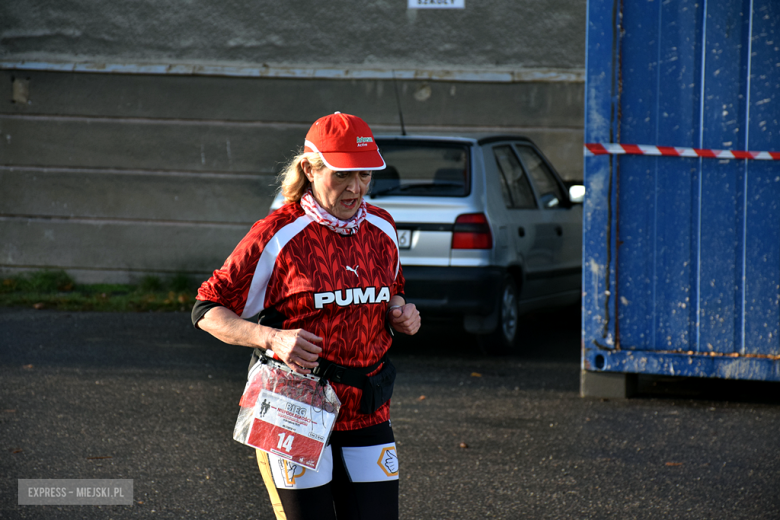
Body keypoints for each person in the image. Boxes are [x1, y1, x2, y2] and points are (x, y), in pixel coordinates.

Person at [191, 112, 421, 520]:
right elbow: (207, 308)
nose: (356, 188)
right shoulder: (277, 233)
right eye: (342, 176)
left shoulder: (382, 227)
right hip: (294, 408)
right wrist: (272, 338)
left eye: (365, 176)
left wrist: (400, 311)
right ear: (310, 170)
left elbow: (393, 288)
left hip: (367, 408)